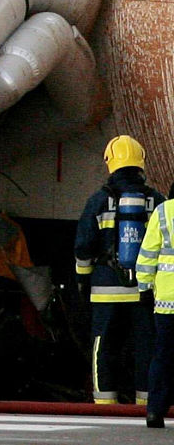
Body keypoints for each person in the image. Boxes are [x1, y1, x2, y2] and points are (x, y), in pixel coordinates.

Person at [74, 134, 163, 406]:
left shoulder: (99, 200)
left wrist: (82, 280)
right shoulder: (155, 200)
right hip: (144, 290)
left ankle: (104, 403)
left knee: (103, 346)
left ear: (110, 162)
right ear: (141, 162)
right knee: (145, 345)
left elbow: (84, 246)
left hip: (104, 289)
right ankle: (145, 403)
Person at [136, 184, 174, 428]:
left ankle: (155, 412)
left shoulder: (162, 212)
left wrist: (144, 288)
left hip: (166, 303)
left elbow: (147, 255)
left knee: (163, 356)